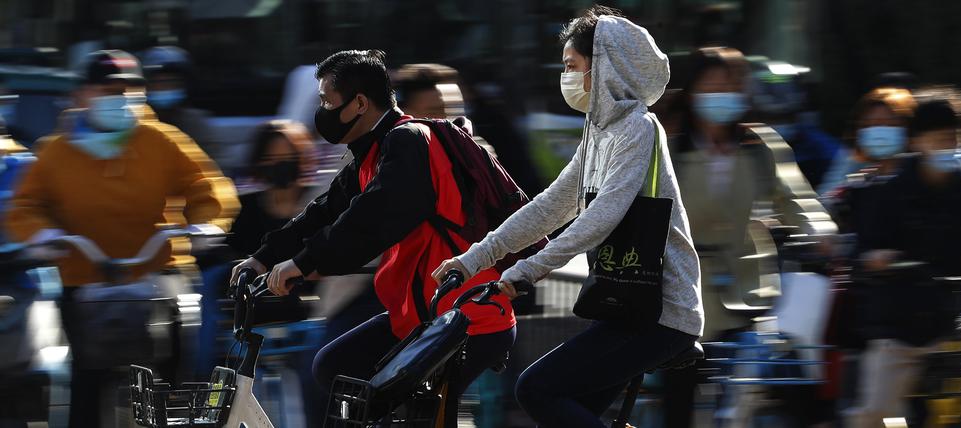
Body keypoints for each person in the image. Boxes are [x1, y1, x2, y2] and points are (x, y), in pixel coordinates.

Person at [433, 6, 701, 427]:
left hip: (661, 311)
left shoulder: (639, 129)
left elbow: (603, 215)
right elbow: (549, 206)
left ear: (605, 67)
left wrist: (527, 270)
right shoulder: (597, 133)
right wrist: (475, 259)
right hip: (627, 306)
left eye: (572, 67)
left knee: (535, 390)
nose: (567, 78)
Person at [228, 49, 515, 427]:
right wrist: (263, 257)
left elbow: (369, 221)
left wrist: (303, 262)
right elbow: (325, 210)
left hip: (465, 317)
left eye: (328, 102)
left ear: (359, 103)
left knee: (411, 410)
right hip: (421, 317)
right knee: (334, 368)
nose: (321, 112)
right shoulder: (372, 153)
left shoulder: (409, 142)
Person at [4, 49, 239, 427]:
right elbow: (26, 205)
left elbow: (206, 186)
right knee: (86, 382)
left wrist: (205, 223)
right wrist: (43, 235)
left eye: (127, 88)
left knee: (174, 375)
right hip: (84, 281)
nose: (118, 97)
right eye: (106, 89)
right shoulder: (57, 150)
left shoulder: (161, 139)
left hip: (158, 274)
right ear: (82, 96)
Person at [657, 46, 835, 427]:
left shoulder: (759, 146)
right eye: (713, 84)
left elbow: (796, 199)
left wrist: (821, 233)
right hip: (683, 287)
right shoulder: (668, 148)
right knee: (681, 393)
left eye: (732, 84)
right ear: (692, 91)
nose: (724, 93)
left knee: (752, 383)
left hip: (747, 283)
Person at [843, 88, 961, 428]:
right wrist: (877, 259)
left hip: (952, 318)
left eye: (958, 138)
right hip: (900, 328)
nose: (950, 146)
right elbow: (861, 253)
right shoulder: (891, 193)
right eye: (942, 138)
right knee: (876, 413)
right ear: (917, 142)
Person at [225, 120, 316, 256]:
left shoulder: (321, 202)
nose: (279, 166)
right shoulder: (243, 209)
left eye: (288, 158)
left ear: (303, 159)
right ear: (258, 163)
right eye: (271, 158)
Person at [142, 46, 228, 172]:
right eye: (159, 82)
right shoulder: (133, 123)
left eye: (172, 82)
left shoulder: (195, 121)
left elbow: (213, 166)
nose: (165, 87)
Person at [819, 87, 916, 197]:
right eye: (869, 124)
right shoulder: (855, 178)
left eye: (890, 123)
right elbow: (826, 200)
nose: (879, 131)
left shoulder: (924, 174)